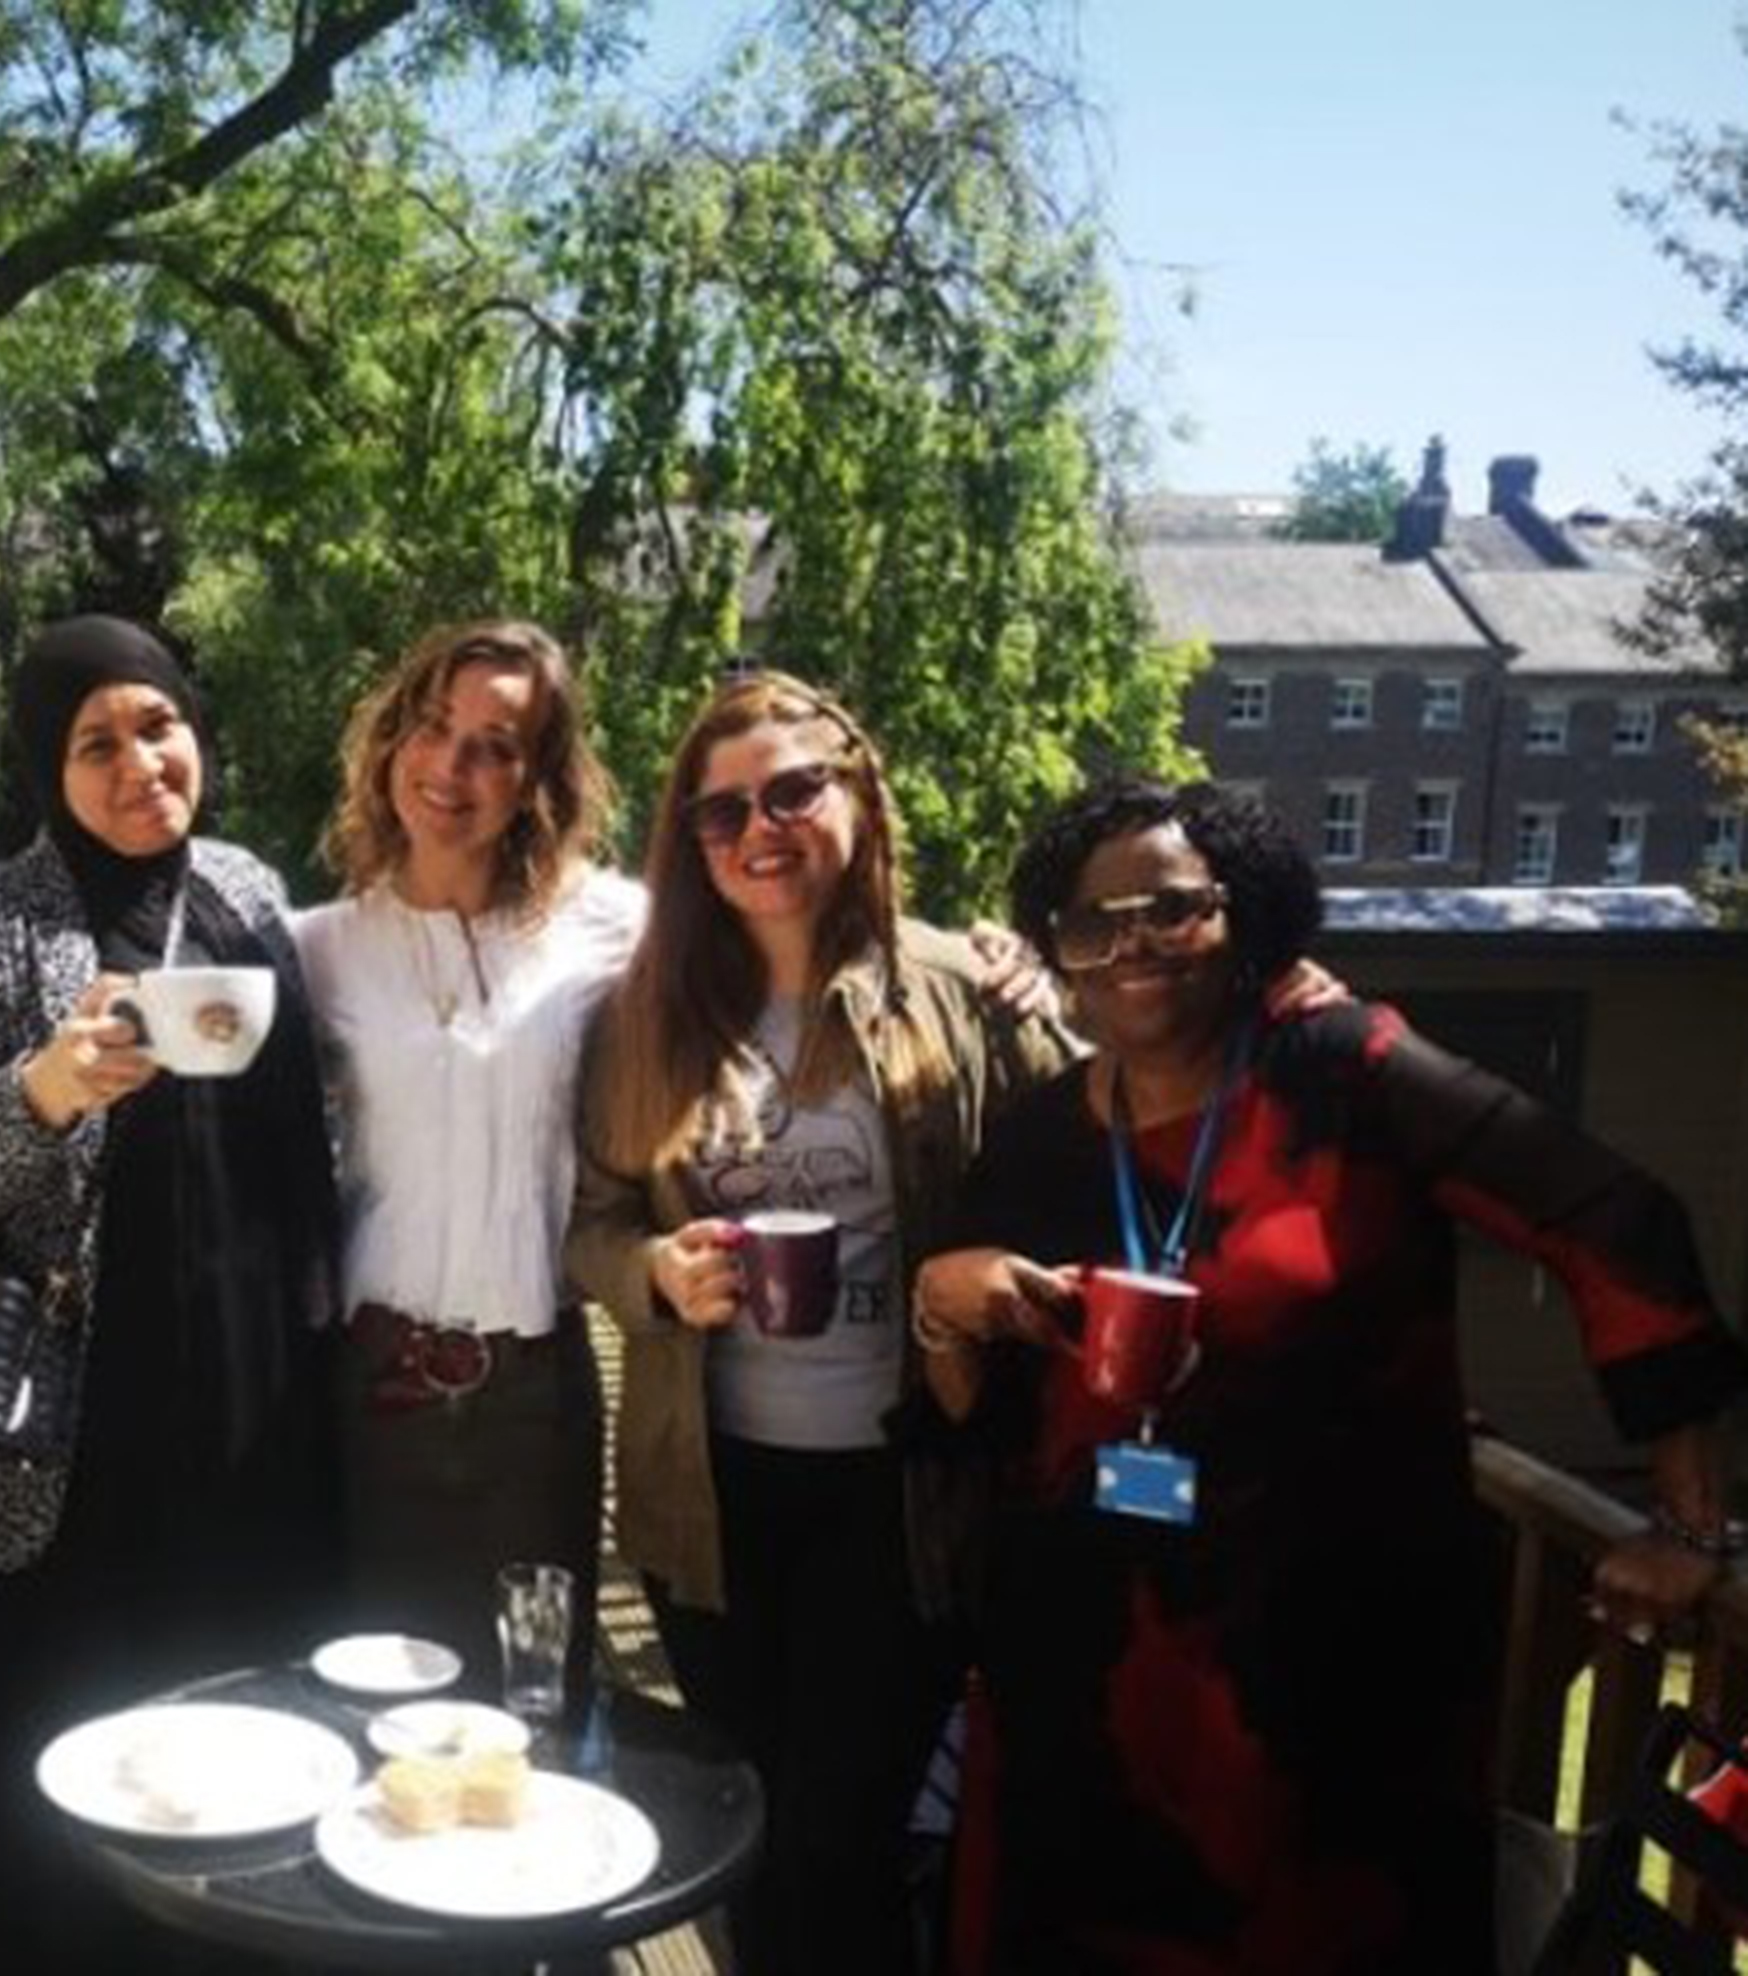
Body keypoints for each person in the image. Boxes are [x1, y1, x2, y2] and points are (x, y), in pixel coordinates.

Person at [914, 778, 1748, 1974]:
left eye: (1169, 906)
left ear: (1240, 911)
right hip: (1084, 1669)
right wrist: (947, 1303)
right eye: (1092, 922)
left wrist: (1686, 1517)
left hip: (1330, 1677)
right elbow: (976, 1404)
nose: (1131, 943)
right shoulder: (1041, 1131)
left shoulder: (1343, 1073)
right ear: (1058, 948)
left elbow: (1611, 1219)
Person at [567, 670, 1076, 1976]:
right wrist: (657, 1274)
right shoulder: (648, 1018)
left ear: (859, 795)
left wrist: (1087, 998)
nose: (759, 828)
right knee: (750, 1835)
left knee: (836, 1836)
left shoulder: (964, 988)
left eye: (794, 790)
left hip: (897, 1492)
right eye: (721, 810)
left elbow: (1103, 1147)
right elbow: (590, 1224)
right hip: (711, 1498)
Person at [0, 615, 340, 1975]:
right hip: (60, 1444)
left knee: (242, 1771)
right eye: (97, 741)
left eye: (160, 725)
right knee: (50, 1784)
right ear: (45, 763)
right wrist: (46, 1089)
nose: (140, 762)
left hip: (248, 1423)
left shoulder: (252, 892)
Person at [293, 618, 639, 1692]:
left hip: (532, 1401)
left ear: (537, 777)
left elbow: (771, 963)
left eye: (495, 743)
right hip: (367, 1392)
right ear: (391, 740)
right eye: (433, 727)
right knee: (371, 1702)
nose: (452, 766)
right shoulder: (314, 946)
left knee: (530, 1700)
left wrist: (993, 963)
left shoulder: (613, 926)